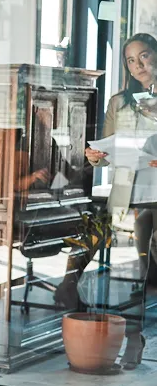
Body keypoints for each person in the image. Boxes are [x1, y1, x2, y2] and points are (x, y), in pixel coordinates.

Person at [59, 33, 157, 368]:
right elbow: (102, 156)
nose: (139, 65)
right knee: (130, 276)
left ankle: (136, 337)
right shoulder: (119, 102)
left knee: (149, 275)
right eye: (131, 60)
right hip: (126, 195)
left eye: (144, 56)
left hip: (154, 197)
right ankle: (126, 335)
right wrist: (95, 155)